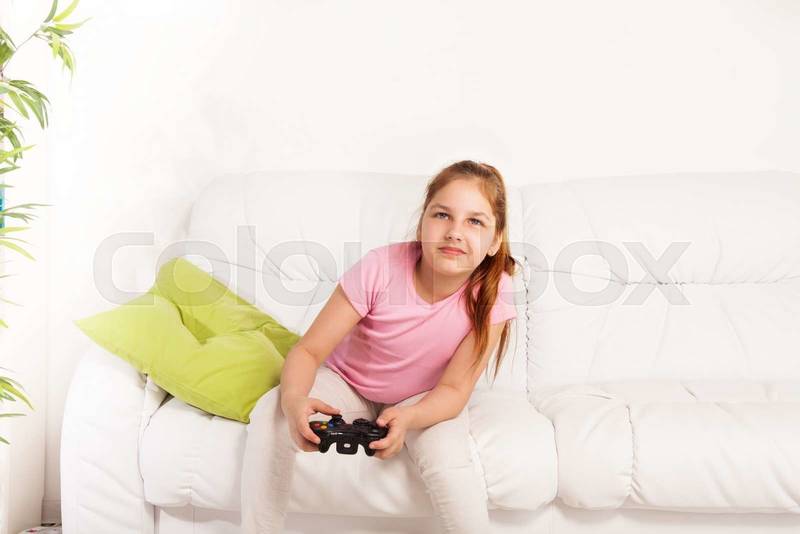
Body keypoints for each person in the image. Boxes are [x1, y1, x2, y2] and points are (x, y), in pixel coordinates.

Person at [241, 160, 519, 533]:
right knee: (270, 410)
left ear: (495, 241)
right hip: (348, 384)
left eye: (475, 222)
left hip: (426, 396)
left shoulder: (494, 293)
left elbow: (454, 390)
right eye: (442, 215)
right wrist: (293, 401)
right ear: (422, 224)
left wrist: (411, 417)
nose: (455, 232)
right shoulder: (380, 267)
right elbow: (308, 351)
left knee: (448, 459)